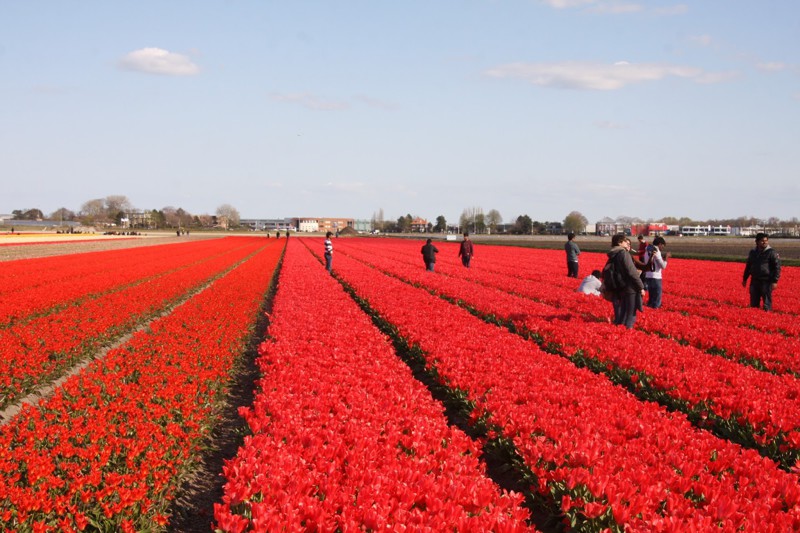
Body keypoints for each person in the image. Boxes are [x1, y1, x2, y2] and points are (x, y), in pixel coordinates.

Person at [606, 234, 645, 328]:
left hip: (620, 286)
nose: (627, 244)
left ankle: (619, 332)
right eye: (624, 241)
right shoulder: (623, 253)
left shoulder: (613, 254)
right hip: (630, 286)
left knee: (623, 312)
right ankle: (627, 333)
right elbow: (632, 272)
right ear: (619, 243)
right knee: (631, 313)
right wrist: (641, 286)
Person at [743, 233, 780, 311]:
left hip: (766, 280)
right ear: (757, 241)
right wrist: (745, 278)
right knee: (753, 303)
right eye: (762, 241)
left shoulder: (771, 252)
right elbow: (748, 266)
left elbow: (777, 267)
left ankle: (767, 318)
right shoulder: (753, 252)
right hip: (754, 280)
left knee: (766, 303)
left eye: (766, 241)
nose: (765, 242)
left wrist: (775, 281)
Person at [642, 236, 670, 309]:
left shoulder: (647, 249)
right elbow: (663, 266)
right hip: (656, 277)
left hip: (648, 276)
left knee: (651, 299)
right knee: (657, 299)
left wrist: (661, 258)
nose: (663, 248)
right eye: (663, 246)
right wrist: (666, 258)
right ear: (660, 244)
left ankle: (649, 314)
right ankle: (655, 312)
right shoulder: (656, 250)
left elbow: (650, 261)